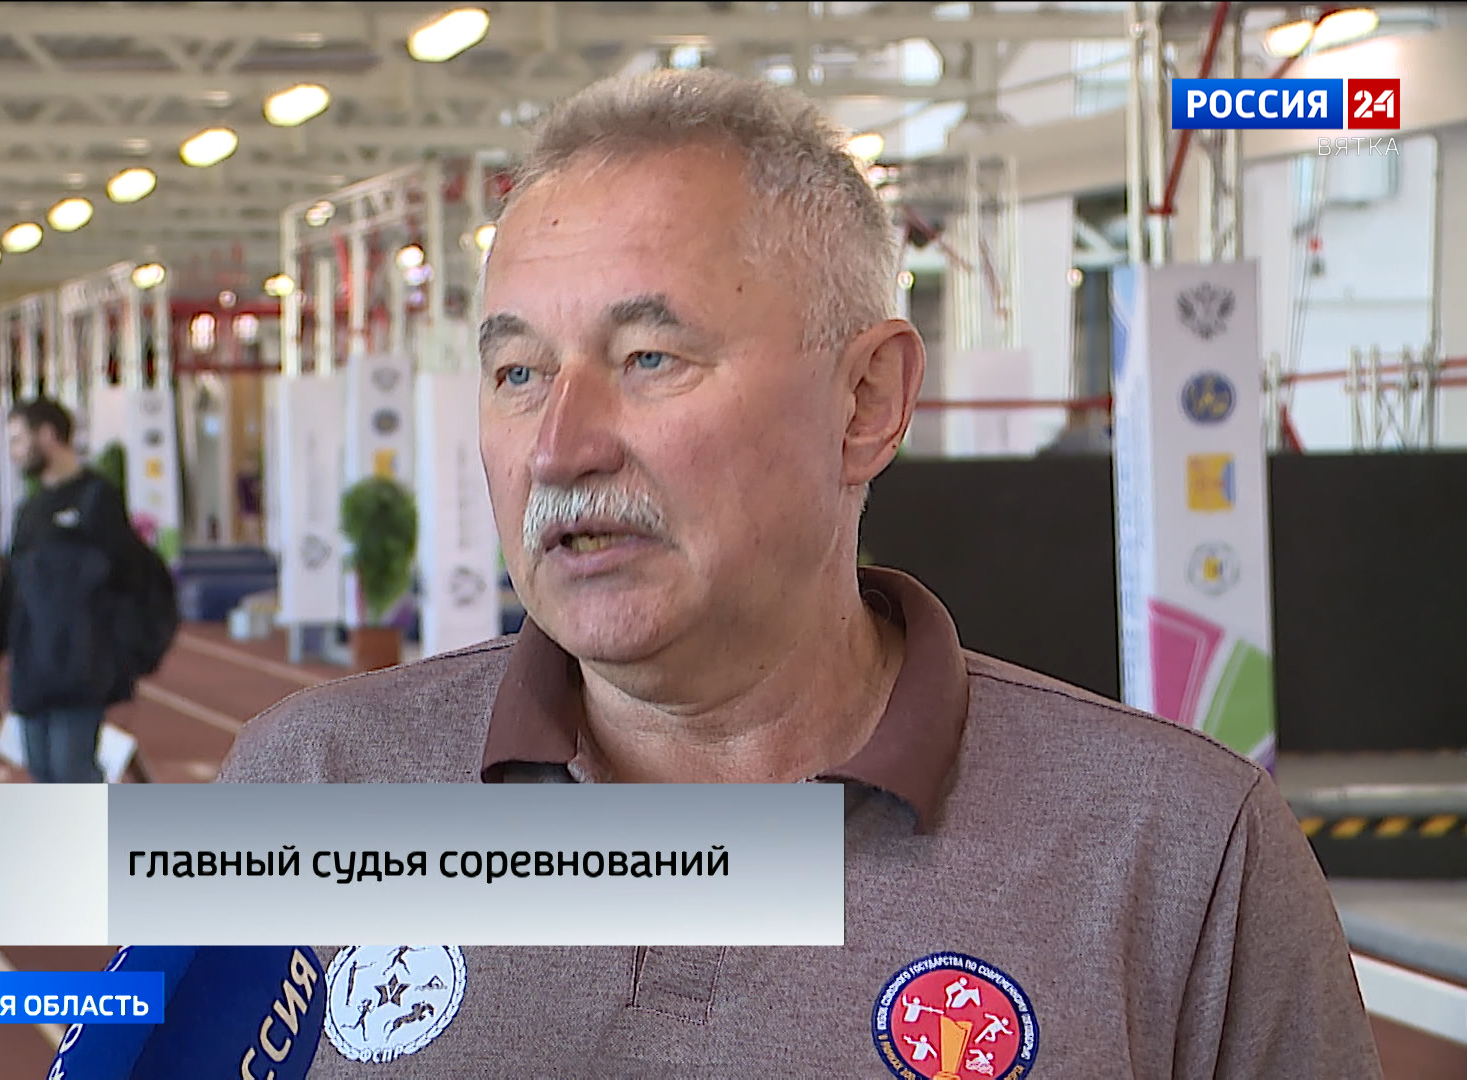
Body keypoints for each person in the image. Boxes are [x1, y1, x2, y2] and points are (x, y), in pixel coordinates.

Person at [216, 70, 1381, 1077]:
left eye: (649, 357)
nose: (559, 447)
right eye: (518, 373)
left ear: (866, 400)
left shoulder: (1184, 859)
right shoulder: (306, 787)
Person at [0, 399, 146, 783]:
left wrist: (124, 658)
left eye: (18, 440)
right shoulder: (28, 511)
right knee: (42, 771)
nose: (13, 452)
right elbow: (9, 590)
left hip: (81, 665)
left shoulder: (98, 499)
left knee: (72, 772)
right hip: (32, 666)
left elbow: (129, 580)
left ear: (47, 436)